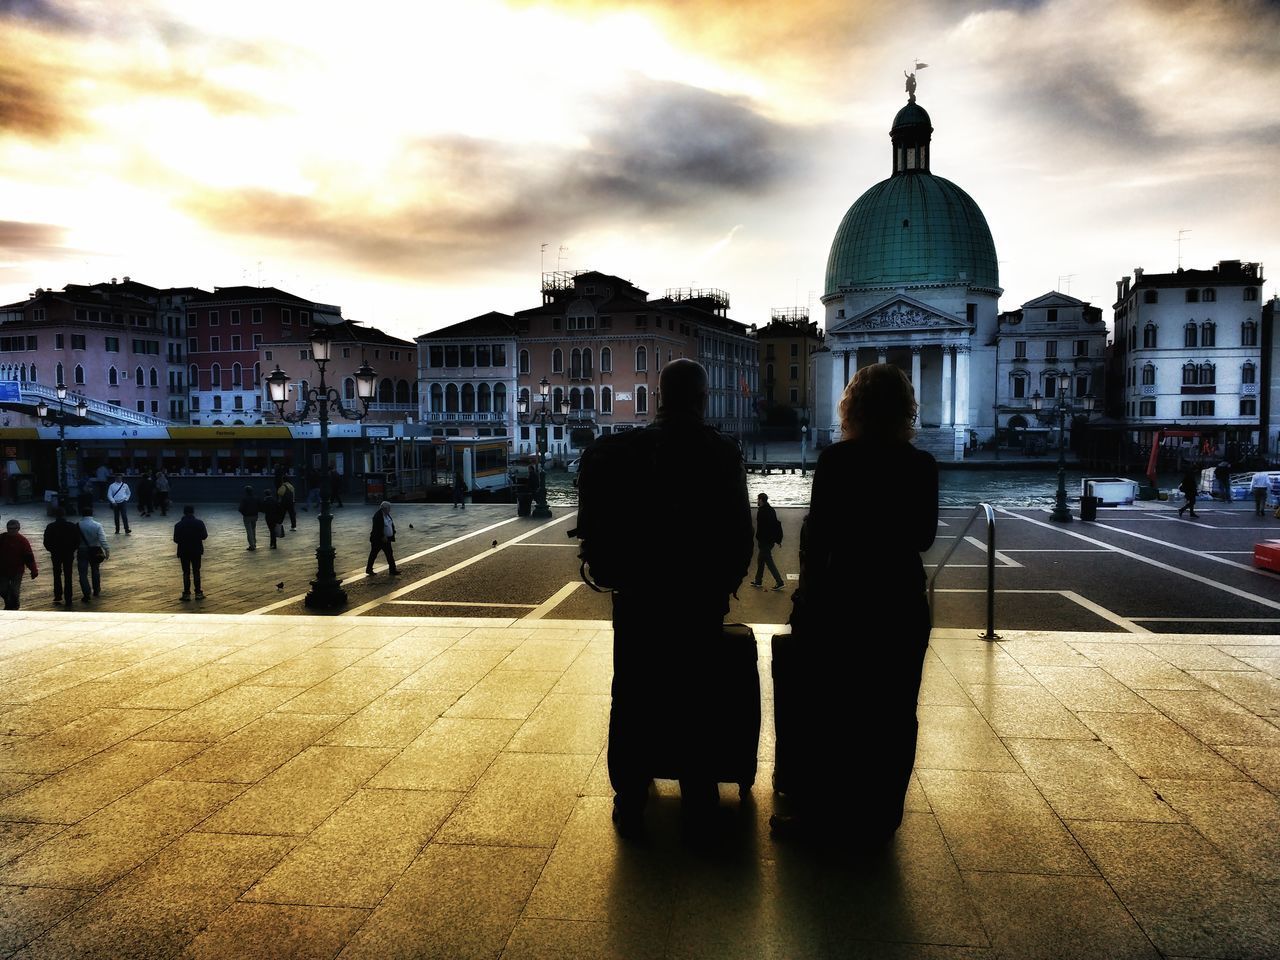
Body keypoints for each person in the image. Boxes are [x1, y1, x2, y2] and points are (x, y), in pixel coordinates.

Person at [580, 358, 753, 835]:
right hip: (698, 600)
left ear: (659, 397)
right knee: (698, 697)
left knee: (632, 694)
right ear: (701, 399)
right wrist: (722, 589)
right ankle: (699, 799)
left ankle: (630, 798)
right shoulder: (722, 452)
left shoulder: (620, 450)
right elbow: (741, 536)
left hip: (636, 596)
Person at [770, 363, 937, 846]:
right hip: (900, 601)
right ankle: (881, 818)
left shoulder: (837, 461)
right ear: (906, 408)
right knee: (894, 712)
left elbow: (817, 536)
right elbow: (922, 538)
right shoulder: (921, 465)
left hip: (843, 599)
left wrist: (807, 598)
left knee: (836, 711)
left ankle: (823, 817)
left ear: (853, 407)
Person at [43, 507, 80, 607]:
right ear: (65, 515)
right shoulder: (72, 526)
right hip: (68, 553)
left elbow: (46, 542)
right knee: (68, 575)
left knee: (56, 574)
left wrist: (51, 550)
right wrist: (72, 549)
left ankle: (58, 595)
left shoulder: (50, 526)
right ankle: (68, 597)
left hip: (56, 554)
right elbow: (77, 541)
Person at [751, 492, 786, 591]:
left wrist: (758, 538)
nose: (757, 501)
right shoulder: (771, 510)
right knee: (760, 560)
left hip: (764, 541)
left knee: (769, 561)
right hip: (770, 541)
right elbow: (775, 525)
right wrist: (777, 539)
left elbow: (762, 528)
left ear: (761, 500)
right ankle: (758, 581)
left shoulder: (762, 511)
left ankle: (780, 582)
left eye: (758, 499)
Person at [0, 519, 38, 610]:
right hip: (2, 570)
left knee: (15, 591)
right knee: (2, 590)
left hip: (17, 571)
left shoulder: (23, 541)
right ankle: (9, 602)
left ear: (18, 529)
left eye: (14, 528)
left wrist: (34, 570)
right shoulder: (1, 538)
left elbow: (29, 558)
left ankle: (14, 605)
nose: (11, 530)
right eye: (9, 528)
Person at [173, 505, 208, 601]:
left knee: (186, 572)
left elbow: (176, 539)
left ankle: (186, 594)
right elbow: (204, 536)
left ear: (184, 512)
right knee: (196, 571)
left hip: (184, 551)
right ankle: (198, 593)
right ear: (193, 512)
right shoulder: (199, 523)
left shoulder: (178, 525)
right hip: (196, 550)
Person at [75, 507, 109, 602]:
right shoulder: (97, 525)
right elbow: (102, 539)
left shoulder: (78, 525)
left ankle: (86, 593)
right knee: (95, 570)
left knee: (82, 573)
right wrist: (106, 549)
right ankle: (96, 590)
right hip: (95, 550)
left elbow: (75, 540)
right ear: (92, 514)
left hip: (82, 550)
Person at [367, 500, 399, 576]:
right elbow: (377, 528)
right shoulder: (377, 516)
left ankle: (393, 570)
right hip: (378, 540)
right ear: (384, 508)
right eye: (389, 508)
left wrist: (393, 532)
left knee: (389, 554)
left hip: (386, 539)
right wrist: (382, 536)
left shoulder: (387, 515)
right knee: (373, 554)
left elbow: (390, 524)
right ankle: (369, 569)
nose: (390, 510)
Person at [238, 485, 260, 550]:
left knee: (249, 531)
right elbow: (259, 506)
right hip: (255, 516)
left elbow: (240, 509)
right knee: (253, 530)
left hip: (247, 517)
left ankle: (252, 545)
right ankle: (254, 543)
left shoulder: (244, 499)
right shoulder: (256, 498)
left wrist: (244, 514)